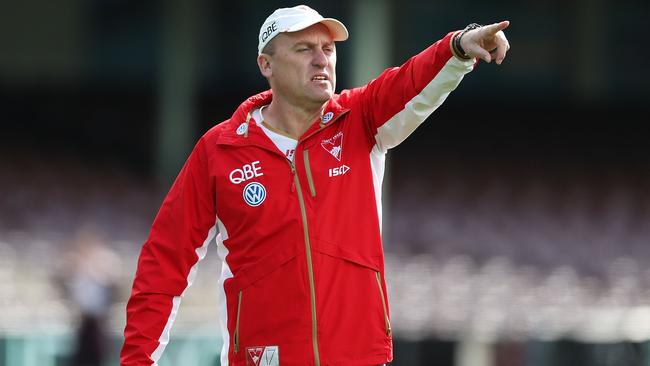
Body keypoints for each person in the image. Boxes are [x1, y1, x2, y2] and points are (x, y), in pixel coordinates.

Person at [121, 5, 510, 366]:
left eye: (327, 48)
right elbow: (164, 263)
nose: (322, 59)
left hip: (360, 356)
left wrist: (459, 47)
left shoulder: (360, 119)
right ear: (266, 65)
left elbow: (410, 81)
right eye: (304, 49)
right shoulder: (219, 149)